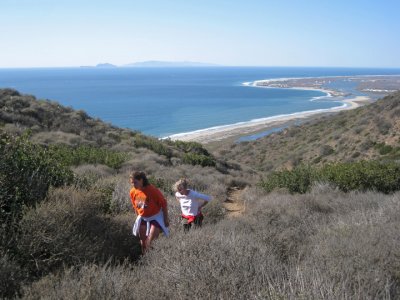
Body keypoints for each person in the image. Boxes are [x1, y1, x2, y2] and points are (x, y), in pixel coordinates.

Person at [129, 171, 169, 254]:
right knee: (143, 243)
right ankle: (145, 259)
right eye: (132, 183)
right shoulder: (133, 191)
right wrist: (137, 217)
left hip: (155, 217)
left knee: (150, 243)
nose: (133, 185)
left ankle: (152, 259)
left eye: (135, 182)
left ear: (141, 180)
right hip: (143, 217)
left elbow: (163, 204)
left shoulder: (152, 190)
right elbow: (135, 206)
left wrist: (165, 219)